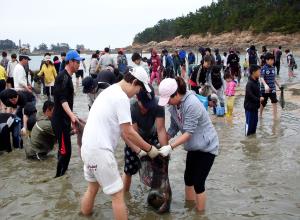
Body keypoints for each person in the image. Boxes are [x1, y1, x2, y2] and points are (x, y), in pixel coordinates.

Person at [80, 66, 160, 219]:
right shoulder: (121, 97)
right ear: (135, 82)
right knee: (117, 196)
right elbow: (128, 131)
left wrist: (139, 150)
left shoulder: (108, 92)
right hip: (100, 151)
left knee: (92, 189)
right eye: (138, 90)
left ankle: (84, 216)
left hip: (87, 149)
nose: (136, 94)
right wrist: (150, 149)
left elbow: (123, 132)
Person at [157, 77, 219, 212]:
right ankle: (189, 208)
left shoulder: (192, 104)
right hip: (193, 146)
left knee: (198, 183)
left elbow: (188, 132)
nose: (167, 102)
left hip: (207, 146)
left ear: (177, 94)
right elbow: (173, 128)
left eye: (168, 99)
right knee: (188, 178)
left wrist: (170, 147)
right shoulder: (173, 106)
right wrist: (161, 144)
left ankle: (200, 215)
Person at [122, 85, 168, 192]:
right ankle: (125, 196)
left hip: (152, 136)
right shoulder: (131, 108)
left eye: (150, 104)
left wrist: (165, 149)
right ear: (138, 99)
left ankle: (157, 193)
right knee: (129, 170)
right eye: (145, 105)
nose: (148, 107)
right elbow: (130, 134)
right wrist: (139, 151)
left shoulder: (158, 104)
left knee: (159, 165)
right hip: (134, 138)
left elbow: (161, 130)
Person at [52, 50, 81, 178]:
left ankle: (63, 177)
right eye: (77, 62)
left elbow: (67, 101)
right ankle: (58, 178)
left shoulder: (68, 77)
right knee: (65, 152)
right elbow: (62, 100)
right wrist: (72, 116)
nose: (79, 64)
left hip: (64, 120)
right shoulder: (62, 77)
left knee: (65, 152)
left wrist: (71, 117)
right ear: (70, 61)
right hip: (59, 120)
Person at [259, 53, 281, 120]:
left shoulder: (273, 68)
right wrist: (265, 85)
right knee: (263, 102)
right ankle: (260, 114)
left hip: (273, 88)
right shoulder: (263, 68)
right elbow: (261, 78)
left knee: (274, 101)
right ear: (266, 60)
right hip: (264, 89)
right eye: (271, 60)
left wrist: (278, 85)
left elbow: (274, 78)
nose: (272, 61)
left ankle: (275, 117)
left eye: (273, 60)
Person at [244, 65, 261, 136]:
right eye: (258, 71)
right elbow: (250, 95)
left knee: (254, 124)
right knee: (249, 125)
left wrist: (261, 96)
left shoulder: (257, 82)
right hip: (249, 108)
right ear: (253, 72)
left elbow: (258, 92)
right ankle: (247, 140)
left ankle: (253, 141)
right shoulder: (249, 84)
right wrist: (259, 99)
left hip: (255, 107)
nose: (260, 72)